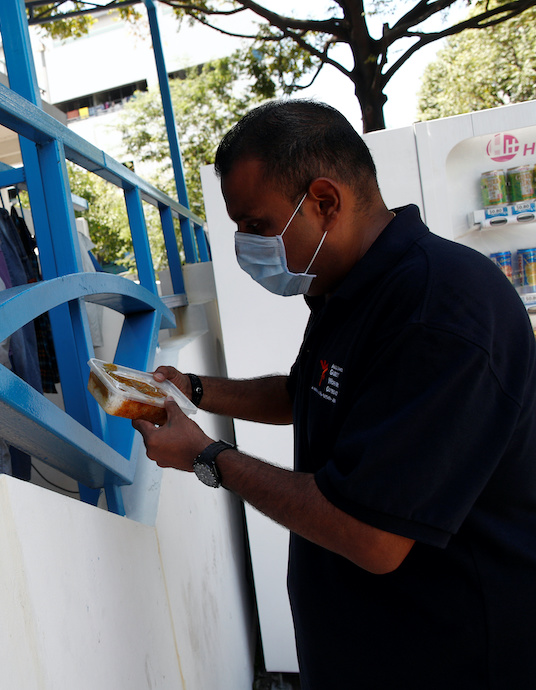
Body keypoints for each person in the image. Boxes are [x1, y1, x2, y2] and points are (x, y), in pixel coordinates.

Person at [133, 99, 536, 688]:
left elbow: (372, 535)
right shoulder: (345, 287)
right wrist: (195, 388)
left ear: (324, 202)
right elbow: (313, 391)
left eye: (258, 226)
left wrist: (206, 457)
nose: (245, 248)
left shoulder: (440, 311)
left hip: (452, 658)